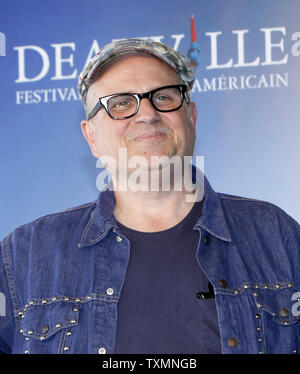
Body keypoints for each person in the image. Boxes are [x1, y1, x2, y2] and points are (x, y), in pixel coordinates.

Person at [0, 38, 300, 355]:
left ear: (192, 117)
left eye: (164, 97)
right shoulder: (25, 255)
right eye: (120, 103)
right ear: (91, 136)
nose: (147, 114)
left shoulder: (276, 235)